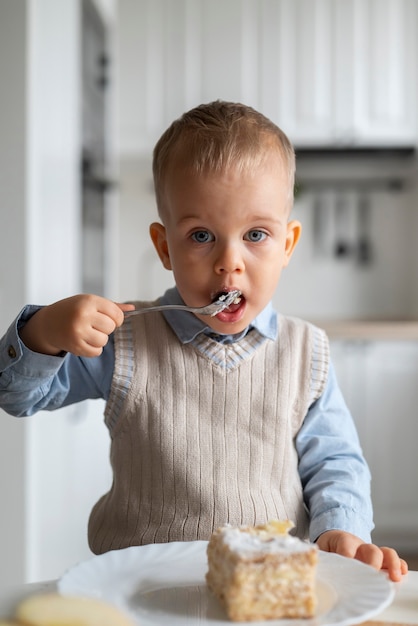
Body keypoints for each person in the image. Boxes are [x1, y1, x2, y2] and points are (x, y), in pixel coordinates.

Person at [0, 100, 407, 581]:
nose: (229, 261)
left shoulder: (306, 353)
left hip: (266, 589)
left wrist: (341, 529)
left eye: (255, 234)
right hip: (139, 590)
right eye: (200, 236)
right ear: (164, 247)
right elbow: (17, 396)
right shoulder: (126, 340)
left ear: (287, 245)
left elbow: (336, 462)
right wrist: (43, 331)